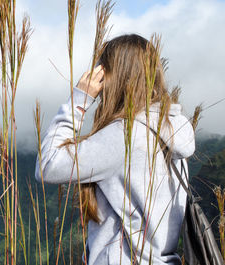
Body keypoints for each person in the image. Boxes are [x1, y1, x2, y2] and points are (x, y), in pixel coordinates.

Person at [34, 34, 195, 264]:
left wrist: (79, 101)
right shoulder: (171, 132)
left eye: (102, 70)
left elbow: (47, 165)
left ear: (114, 77)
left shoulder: (125, 137)